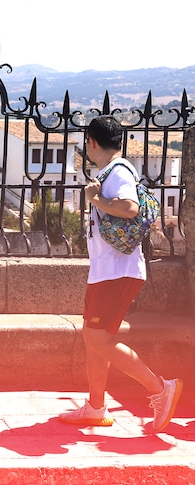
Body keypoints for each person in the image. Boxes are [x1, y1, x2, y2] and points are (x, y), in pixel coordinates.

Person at [58, 115, 182, 431]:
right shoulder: (111, 171)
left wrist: (95, 198)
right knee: (95, 338)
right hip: (108, 270)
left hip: (117, 270)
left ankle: (159, 388)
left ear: (92, 142)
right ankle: (96, 407)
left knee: (97, 338)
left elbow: (129, 207)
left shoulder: (119, 171)